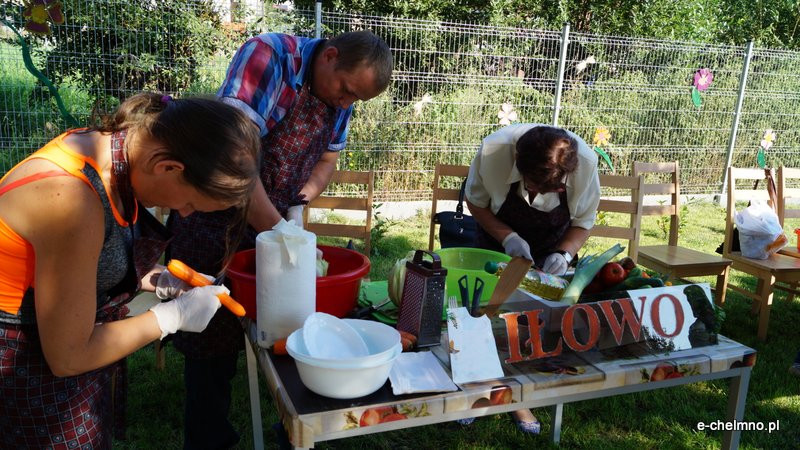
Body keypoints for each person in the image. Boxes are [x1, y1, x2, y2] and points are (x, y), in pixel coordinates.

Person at [166, 30, 393, 449]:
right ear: (329, 56)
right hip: (213, 214)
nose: (346, 104)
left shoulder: (340, 97)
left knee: (288, 330)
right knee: (210, 331)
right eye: (345, 90)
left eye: (354, 100)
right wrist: (280, 227)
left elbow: (327, 159)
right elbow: (232, 155)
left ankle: (292, 427)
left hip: (275, 224)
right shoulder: (270, 57)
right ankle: (209, 439)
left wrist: (299, 203)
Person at [0, 92, 261, 448]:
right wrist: (171, 318)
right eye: (189, 203)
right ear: (168, 166)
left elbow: (84, 265)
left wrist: (162, 282)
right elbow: (68, 356)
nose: (184, 214)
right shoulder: (71, 200)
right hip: (20, 364)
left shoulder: (114, 156)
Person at [464, 123, 601, 433]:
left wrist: (564, 254)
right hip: (495, 238)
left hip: (551, 245)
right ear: (517, 163)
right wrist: (507, 236)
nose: (537, 195)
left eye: (549, 190)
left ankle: (518, 398)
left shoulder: (587, 164)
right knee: (485, 315)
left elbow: (583, 222)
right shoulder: (493, 151)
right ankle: (476, 390)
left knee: (533, 326)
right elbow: (476, 202)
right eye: (532, 186)